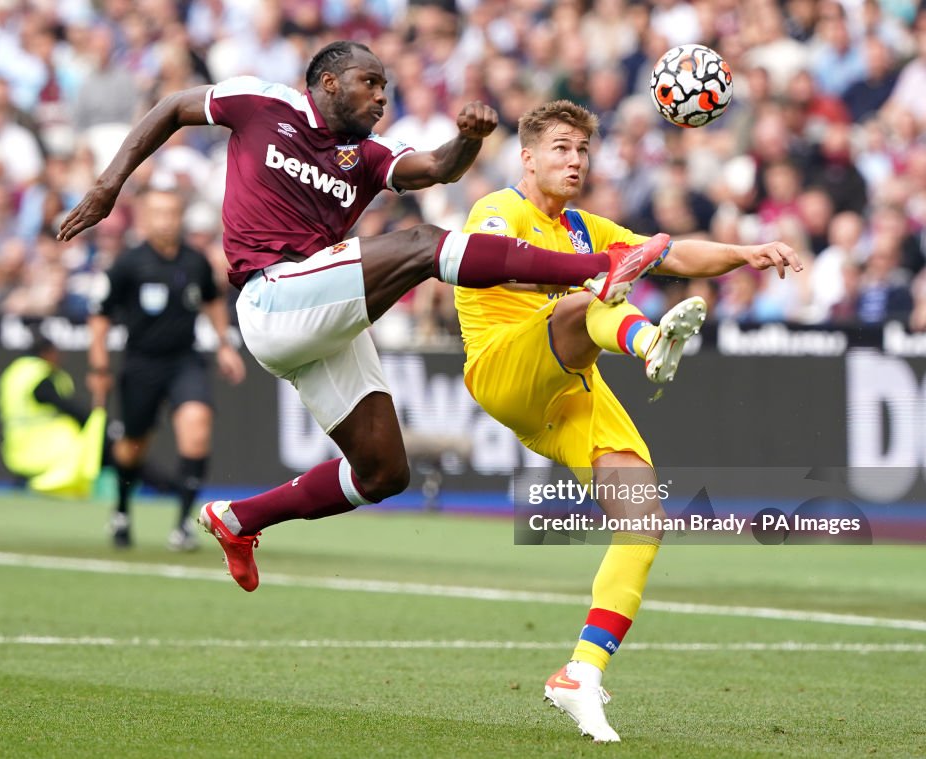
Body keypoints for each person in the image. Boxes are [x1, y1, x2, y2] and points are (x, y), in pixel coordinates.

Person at [58, 40, 674, 586]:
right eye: (370, 83)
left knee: (383, 472)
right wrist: (110, 185)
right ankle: (596, 268)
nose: (382, 96)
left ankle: (240, 518)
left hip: (318, 314)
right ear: (329, 82)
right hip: (270, 296)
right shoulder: (261, 103)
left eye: (386, 87)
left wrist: (467, 138)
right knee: (417, 244)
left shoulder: (372, 156)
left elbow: (436, 168)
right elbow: (172, 107)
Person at [455, 100, 803, 742]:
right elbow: (499, 261)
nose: (575, 160)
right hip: (505, 368)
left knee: (644, 520)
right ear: (527, 157)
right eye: (561, 148)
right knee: (586, 300)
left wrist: (746, 251)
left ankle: (581, 673)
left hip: (573, 388)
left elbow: (670, 255)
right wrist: (608, 292)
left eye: (583, 150)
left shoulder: (586, 227)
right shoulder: (499, 210)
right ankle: (649, 344)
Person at [87, 188, 246, 550]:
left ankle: (183, 527)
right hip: (141, 362)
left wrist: (224, 345)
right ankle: (122, 511)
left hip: (184, 360)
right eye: (158, 213)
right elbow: (100, 317)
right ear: (144, 218)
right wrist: (98, 366)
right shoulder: (128, 263)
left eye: (172, 213)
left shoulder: (195, 261)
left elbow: (213, 301)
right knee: (132, 447)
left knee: (197, 427)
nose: (166, 220)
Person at [0, 332, 107, 498]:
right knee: (96, 440)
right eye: (56, 353)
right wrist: (94, 420)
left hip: (13, 448)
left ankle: (25, 482)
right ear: (46, 353)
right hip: (44, 448)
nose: (59, 358)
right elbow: (64, 405)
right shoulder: (39, 375)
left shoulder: (16, 372)